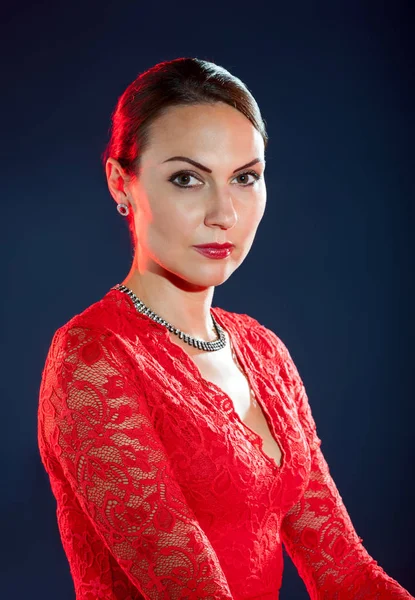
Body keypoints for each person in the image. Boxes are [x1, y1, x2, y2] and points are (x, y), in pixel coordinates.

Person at [37, 57, 413, 600]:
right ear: (122, 182)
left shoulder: (263, 352)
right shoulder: (93, 355)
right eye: (187, 179)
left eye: (245, 178)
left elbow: (345, 574)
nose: (224, 214)